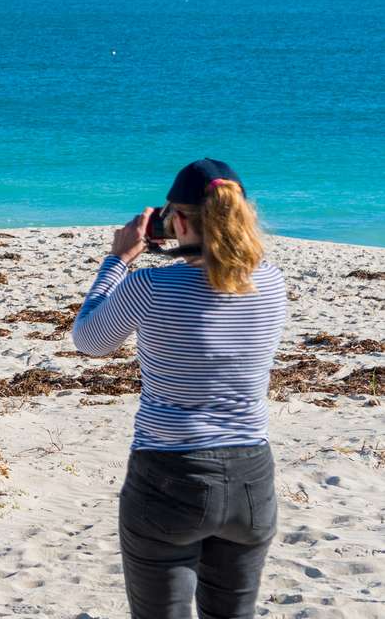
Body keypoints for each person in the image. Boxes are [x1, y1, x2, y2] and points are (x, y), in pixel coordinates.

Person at [72, 158, 286, 619]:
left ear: (179, 220)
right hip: (252, 476)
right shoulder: (270, 282)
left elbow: (89, 340)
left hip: (170, 476)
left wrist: (119, 259)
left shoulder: (151, 284)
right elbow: (221, 268)